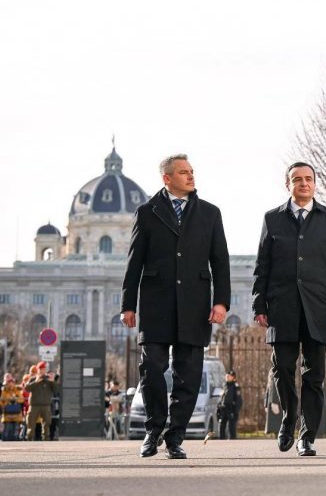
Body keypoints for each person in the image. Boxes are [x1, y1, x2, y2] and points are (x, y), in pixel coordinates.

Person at [120, 153, 231, 459]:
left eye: (192, 171)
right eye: (184, 172)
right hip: (156, 303)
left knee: (189, 372)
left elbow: (220, 261)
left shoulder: (210, 213)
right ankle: (153, 429)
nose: (191, 176)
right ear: (167, 178)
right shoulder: (147, 212)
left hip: (195, 304)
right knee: (152, 367)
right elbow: (134, 262)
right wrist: (128, 304)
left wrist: (221, 301)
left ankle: (175, 437)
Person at [252, 161, 326, 457]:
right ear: (288, 185)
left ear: (315, 184)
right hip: (281, 306)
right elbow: (262, 266)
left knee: (314, 375)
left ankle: (307, 436)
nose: (304, 184)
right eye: (298, 179)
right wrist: (259, 304)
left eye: (309, 179)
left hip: (317, 307)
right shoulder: (272, 219)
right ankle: (288, 418)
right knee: (282, 369)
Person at [25, 368, 57, 441]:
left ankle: (46, 438)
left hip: (46, 405)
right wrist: (36, 381)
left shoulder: (49, 380)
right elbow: (27, 388)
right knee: (31, 423)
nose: (42, 371)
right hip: (34, 405)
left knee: (47, 423)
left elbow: (56, 390)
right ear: (38, 370)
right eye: (41, 369)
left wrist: (53, 381)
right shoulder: (33, 379)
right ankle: (29, 438)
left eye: (44, 370)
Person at [217, 370, 243, 440]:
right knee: (222, 424)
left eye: (229, 376)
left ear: (233, 377)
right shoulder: (225, 385)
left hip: (231, 408)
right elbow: (222, 397)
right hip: (224, 408)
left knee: (231, 426)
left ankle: (233, 440)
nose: (227, 376)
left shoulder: (235, 386)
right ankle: (221, 439)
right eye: (227, 375)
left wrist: (236, 410)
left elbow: (239, 400)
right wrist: (219, 406)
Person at [1, 373, 24, 441]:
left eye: (12, 382)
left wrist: (15, 399)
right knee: (7, 429)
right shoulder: (4, 391)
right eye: (9, 382)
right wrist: (9, 399)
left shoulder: (17, 390)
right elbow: (2, 400)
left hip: (16, 414)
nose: (11, 384)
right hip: (7, 414)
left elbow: (21, 399)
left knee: (16, 429)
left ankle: (15, 440)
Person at [264, 367, 282, 435]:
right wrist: (266, 403)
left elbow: (274, 387)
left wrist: (274, 401)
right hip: (274, 401)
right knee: (277, 426)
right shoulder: (274, 370)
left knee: (278, 426)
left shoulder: (276, 369)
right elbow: (270, 388)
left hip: (276, 401)